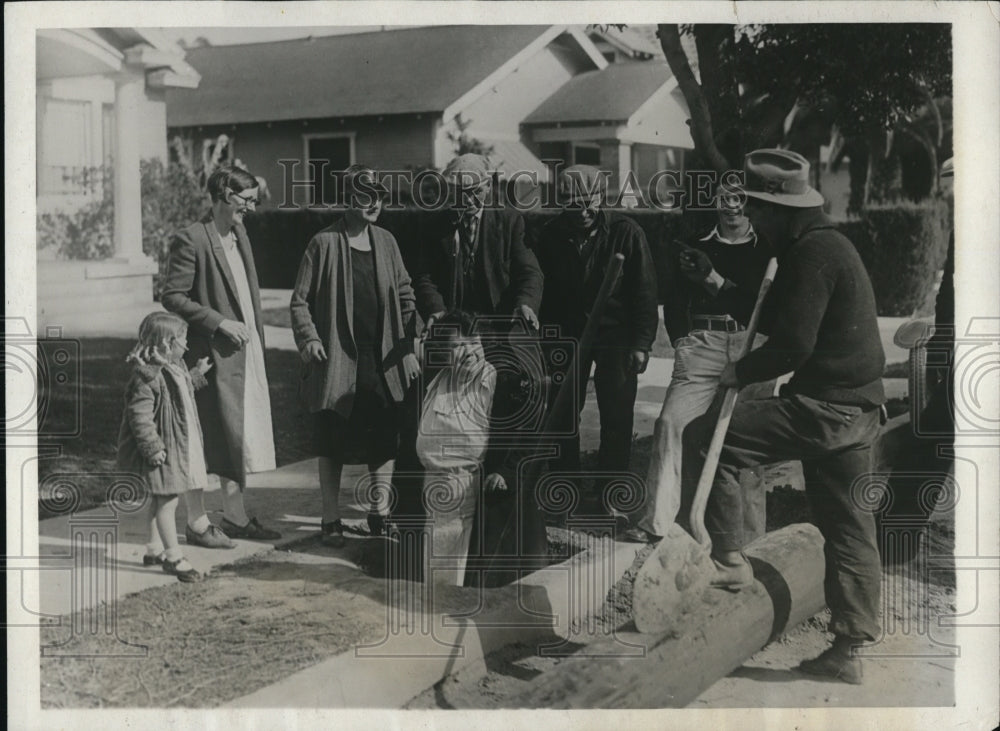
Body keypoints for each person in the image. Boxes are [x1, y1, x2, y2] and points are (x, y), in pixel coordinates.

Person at [685, 149, 886, 684]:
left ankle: (728, 561)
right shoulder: (828, 246)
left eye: (759, 211)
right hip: (859, 407)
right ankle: (850, 648)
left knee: (707, 438)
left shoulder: (810, 254)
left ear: (782, 210)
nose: (755, 222)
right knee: (848, 527)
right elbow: (780, 313)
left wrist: (739, 372)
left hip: (824, 408)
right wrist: (718, 286)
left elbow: (792, 345)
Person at [626, 190, 775, 543]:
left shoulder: (768, 247)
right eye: (724, 197)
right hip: (704, 342)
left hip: (751, 344)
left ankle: (752, 539)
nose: (732, 205)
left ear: (750, 201)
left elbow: (770, 306)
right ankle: (657, 523)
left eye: (740, 196)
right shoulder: (695, 245)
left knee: (745, 437)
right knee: (670, 423)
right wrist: (682, 340)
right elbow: (674, 299)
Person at [289, 165, 420, 547]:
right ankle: (331, 519)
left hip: (382, 359)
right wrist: (310, 339)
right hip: (337, 359)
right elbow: (299, 302)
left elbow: (407, 295)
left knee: (384, 438)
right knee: (333, 440)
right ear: (348, 199)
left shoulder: (387, 242)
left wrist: (408, 345)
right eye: (366, 195)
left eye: (379, 195)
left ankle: (379, 514)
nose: (375, 202)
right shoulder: (323, 243)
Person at [161, 164, 281, 546]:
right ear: (223, 197)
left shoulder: (239, 233)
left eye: (253, 201)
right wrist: (218, 322)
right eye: (246, 201)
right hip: (209, 358)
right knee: (202, 437)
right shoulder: (191, 238)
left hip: (243, 355)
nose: (251, 208)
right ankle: (196, 523)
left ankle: (234, 516)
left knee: (237, 435)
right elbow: (172, 295)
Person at [535, 164, 658, 502]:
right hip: (567, 336)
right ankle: (566, 492)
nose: (584, 211)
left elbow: (645, 293)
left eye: (590, 202)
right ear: (563, 203)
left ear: (601, 198)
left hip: (615, 336)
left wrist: (641, 344)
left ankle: (610, 495)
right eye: (575, 204)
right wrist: (544, 343)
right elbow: (542, 293)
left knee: (616, 414)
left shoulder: (626, 231)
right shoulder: (550, 235)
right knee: (562, 414)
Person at [117, 312, 214, 583]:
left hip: (176, 445)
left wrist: (196, 374)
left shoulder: (175, 367)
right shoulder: (147, 378)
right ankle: (173, 557)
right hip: (163, 449)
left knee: (159, 499)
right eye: (182, 340)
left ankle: (153, 549)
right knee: (168, 501)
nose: (186, 345)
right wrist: (152, 447)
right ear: (165, 345)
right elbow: (139, 416)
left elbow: (180, 393)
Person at [415, 310, 507, 586]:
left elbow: (511, 439)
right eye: (458, 345)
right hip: (431, 489)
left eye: (474, 342)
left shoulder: (493, 382)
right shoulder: (437, 380)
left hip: (467, 488)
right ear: (445, 352)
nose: (469, 351)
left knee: (455, 571)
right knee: (432, 567)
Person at [412, 153, 543, 333]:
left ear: (488, 186)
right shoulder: (435, 226)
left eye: (477, 191)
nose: (469, 200)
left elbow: (529, 272)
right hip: (455, 328)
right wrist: (436, 310)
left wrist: (525, 304)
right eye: (461, 193)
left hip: (501, 325)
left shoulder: (509, 222)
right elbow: (425, 276)